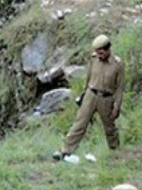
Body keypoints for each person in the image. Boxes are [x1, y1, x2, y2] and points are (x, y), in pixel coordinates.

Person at [52, 35, 125, 163]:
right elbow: (89, 78)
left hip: (106, 99)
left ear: (108, 50)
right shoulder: (93, 59)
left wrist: (116, 106)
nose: (99, 55)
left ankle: (115, 152)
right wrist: (83, 94)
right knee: (80, 123)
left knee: (109, 127)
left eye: (101, 53)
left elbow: (119, 88)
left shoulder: (118, 65)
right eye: (97, 52)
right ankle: (65, 150)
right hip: (91, 95)